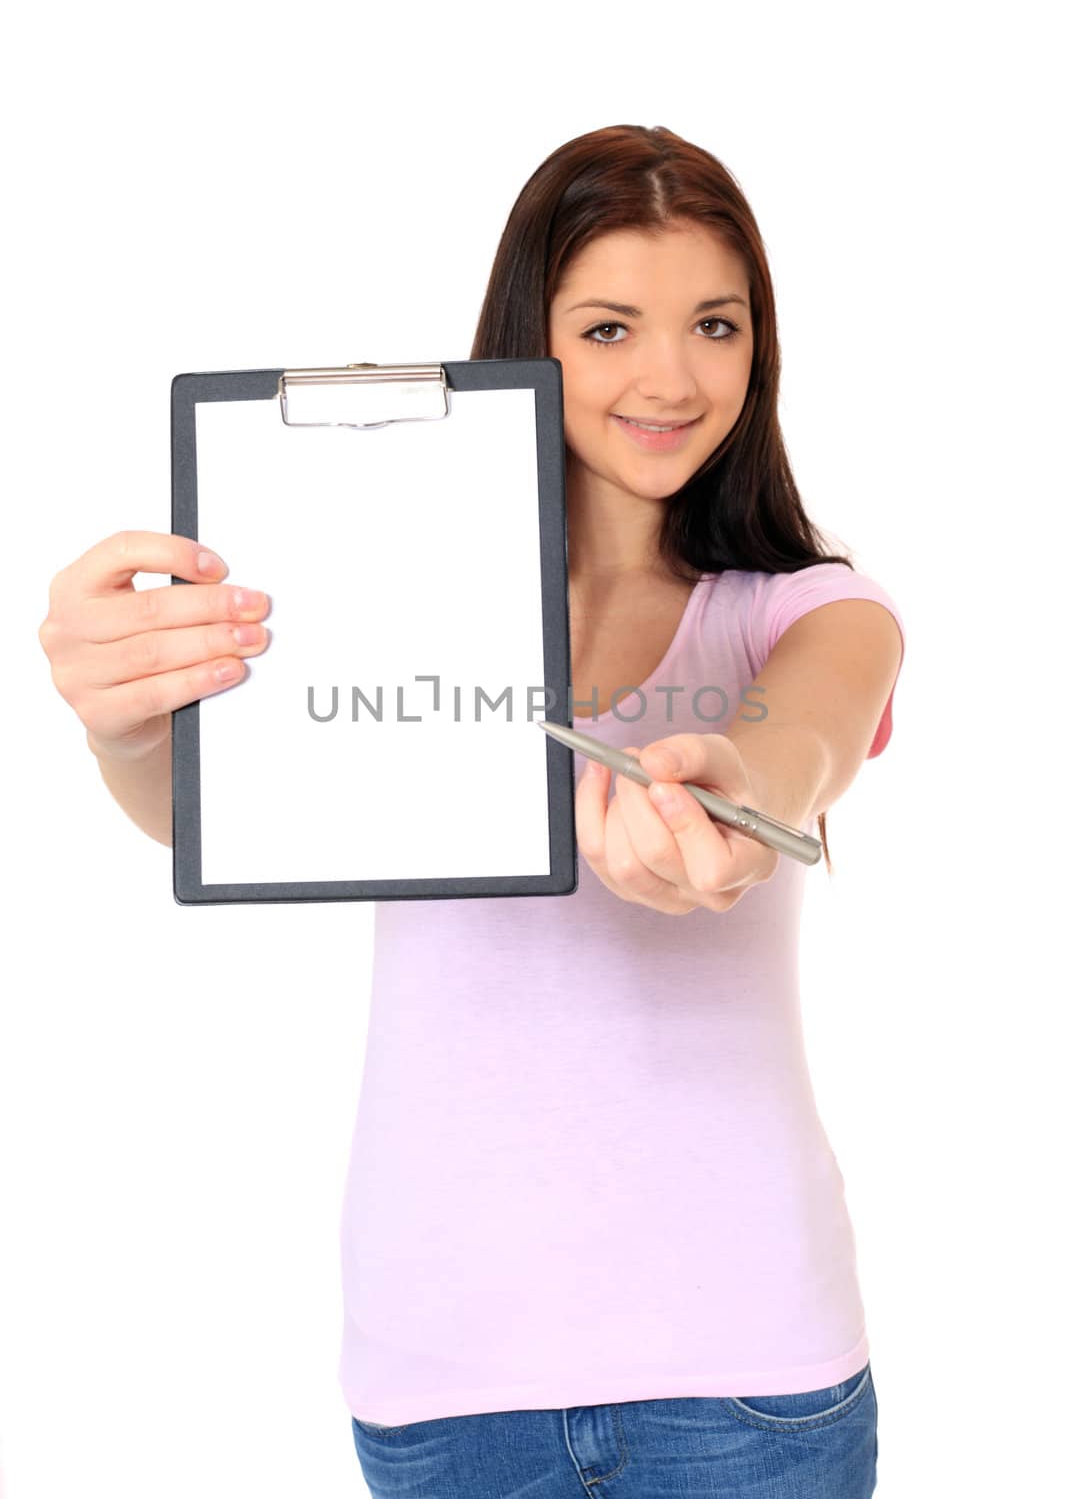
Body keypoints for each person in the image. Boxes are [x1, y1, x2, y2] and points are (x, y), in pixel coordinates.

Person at [38, 124, 904, 1498]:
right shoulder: (386, 605)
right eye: (611, 326)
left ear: (761, 344)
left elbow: (798, 738)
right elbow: (197, 813)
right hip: (446, 1378)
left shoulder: (811, 610)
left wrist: (729, 793)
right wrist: (123, 721)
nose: (671, 378)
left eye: (716, 325)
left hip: (749, 1377)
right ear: (529, 338)